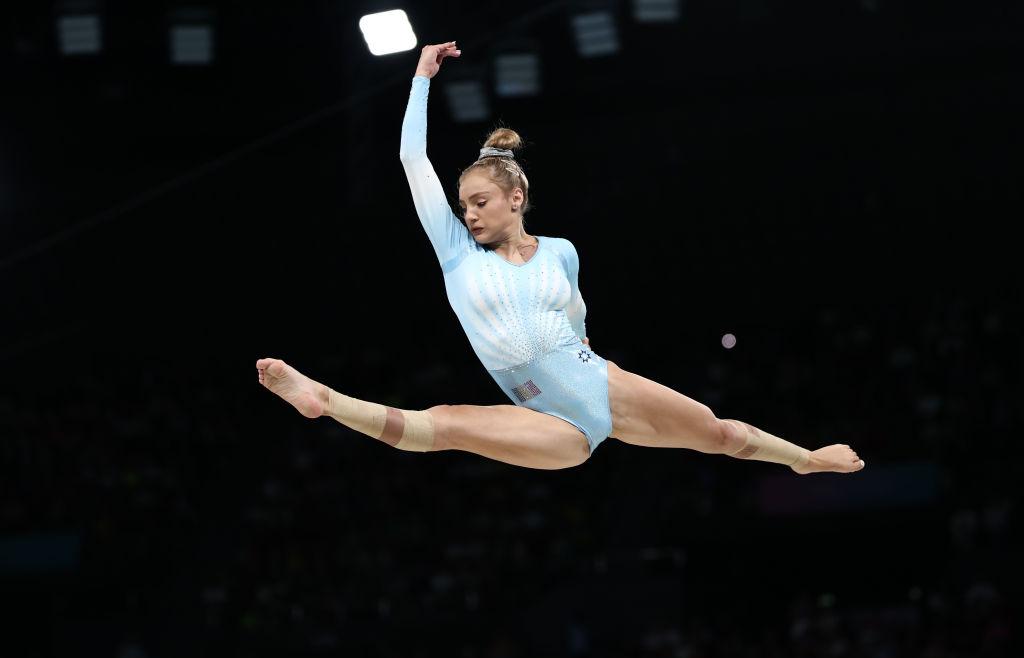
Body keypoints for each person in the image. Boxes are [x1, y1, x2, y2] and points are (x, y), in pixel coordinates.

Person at [256, 41, 866, 475]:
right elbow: (413, 161)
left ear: (515, 199)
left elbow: (576, 317)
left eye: (480, 202)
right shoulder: (457, 254)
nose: (469, 214)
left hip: (599, 383)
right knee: (443, 425)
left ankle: (804, 460)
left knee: (717, 432)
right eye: (463, 206)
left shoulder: (561, 252)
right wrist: (421, 78)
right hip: (549, 420)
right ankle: (324, 400)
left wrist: (586, 348)